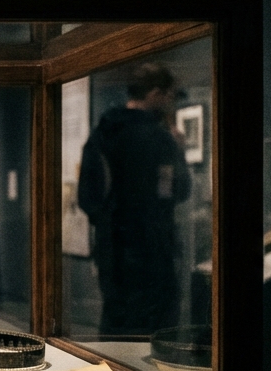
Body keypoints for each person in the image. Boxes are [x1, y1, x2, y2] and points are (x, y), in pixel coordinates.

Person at [77, 63, 190, 336]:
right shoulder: (158, 138)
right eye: (169, 96)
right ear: (154, 93)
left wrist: (106, 223)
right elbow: (179, 190)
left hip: (111, 246)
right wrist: (179, 151)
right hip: (151, 246)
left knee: (116, 318)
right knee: (154, 324)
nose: (169, 103)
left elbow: (87, 196)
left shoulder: (103, 132)